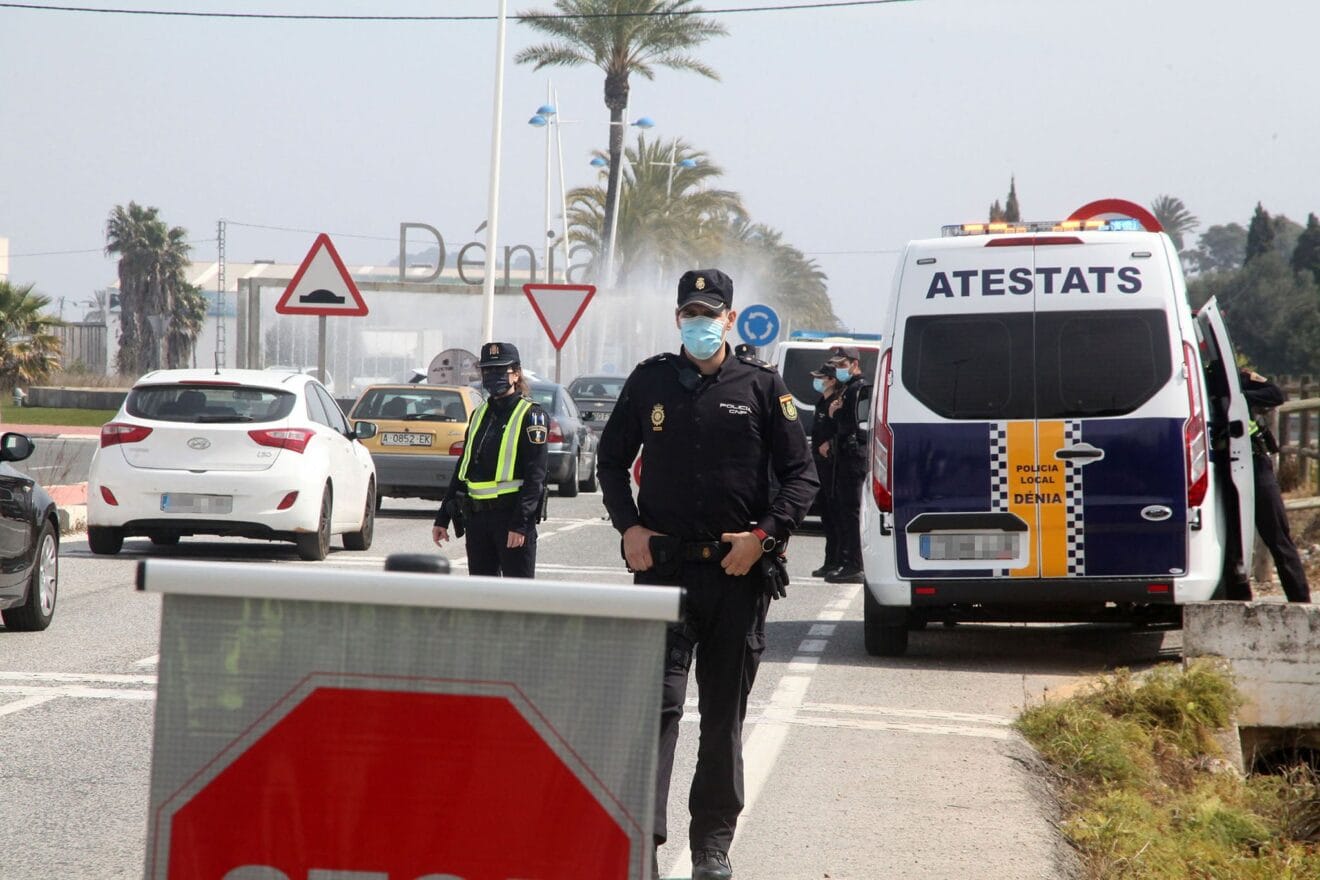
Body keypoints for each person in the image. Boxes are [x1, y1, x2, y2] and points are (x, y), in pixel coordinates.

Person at [597, 268, 818, 880]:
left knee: (723, 717)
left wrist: (763, 538)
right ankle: (644, 838)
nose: (700, 322)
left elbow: (802, 477)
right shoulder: (649, 383)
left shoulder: (762, 386)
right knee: (658, 708)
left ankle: (711, 847)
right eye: (689, 313)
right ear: (677, 318)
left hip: (736, 575)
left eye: (710, 313)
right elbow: (611, 461)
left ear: (729, 317)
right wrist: (628, 527)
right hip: (664, 573)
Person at [431, 342, 549, 578]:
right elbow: (463, 469)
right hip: (477, 520)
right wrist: (442, 517)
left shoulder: (531, 415)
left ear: (516, 374)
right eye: (487, 371)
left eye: (499, 371)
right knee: (482, 597)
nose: (492, 376)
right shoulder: (479, 414)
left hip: (510, 516)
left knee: (517, 597)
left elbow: (536, 475)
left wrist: (520, 524)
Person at [1226, 369, 1310, 603]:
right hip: (1221, 468)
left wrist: (1238, 398)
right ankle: (1238, 606)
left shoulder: (1233, 375)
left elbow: (1275, 394)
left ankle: (1301, 604)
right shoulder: (1198, 379)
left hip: (1255, 462)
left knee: (1277, 536)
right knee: (1230, 544)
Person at [823, 345, 869, 583]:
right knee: (844, 511)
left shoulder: (859, 389)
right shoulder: (849, 388)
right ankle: (847, 560)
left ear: (854, 363)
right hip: (845, 457)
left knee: (851, 513)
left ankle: (855, 564)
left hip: (854, 457)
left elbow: (854, 423)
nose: (839, 369)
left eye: (842, 365)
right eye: (836, 365)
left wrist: (834, 414)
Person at [809, 362, 842, 577]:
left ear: (831, 380)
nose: (818, 381)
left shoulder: (836, 403)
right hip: (820, 466)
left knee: (835, 516)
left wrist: (829, 442)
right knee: (826, 517)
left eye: (822, 377)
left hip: (833, 467)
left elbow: (841, 430)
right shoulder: (822, 401)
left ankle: (838, 560)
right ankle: (829, 561)